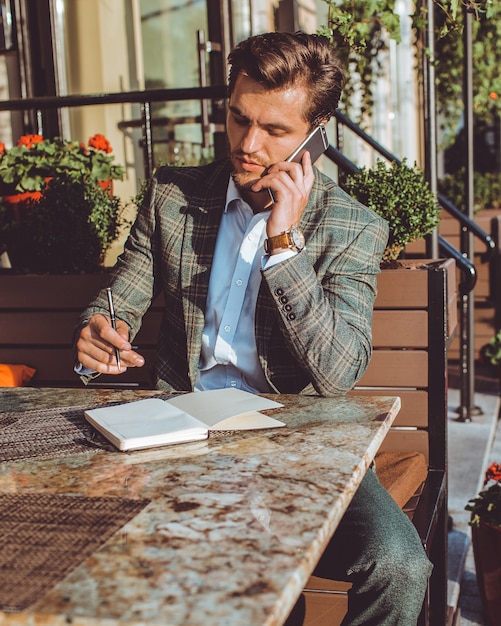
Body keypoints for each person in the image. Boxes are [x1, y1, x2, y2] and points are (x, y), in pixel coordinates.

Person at [75, 31, 432, 625]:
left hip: (304, 447)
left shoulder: (352, 227)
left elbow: (337, 372)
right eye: (239, 119)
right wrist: (99, 331)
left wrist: (283, 245)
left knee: (398, 565)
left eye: (275, 131)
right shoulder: (173, 196)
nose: (247, 144)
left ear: (317, 135)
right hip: (177, 438)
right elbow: (123, 295)